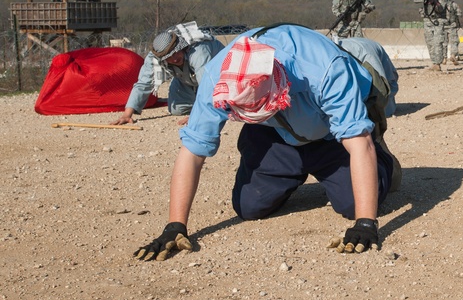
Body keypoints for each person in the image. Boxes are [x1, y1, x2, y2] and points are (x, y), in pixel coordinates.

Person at [133, 24, 401, 262]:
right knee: (249, 207)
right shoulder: (217, 77)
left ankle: (384, 165)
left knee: (355, 205)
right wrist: (175, 225)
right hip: (275, 134)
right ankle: (290, 170)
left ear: (279, 87)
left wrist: (366, 224)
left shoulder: (324, 67)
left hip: (330, 134)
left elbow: (357, 140)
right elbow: (192, 152)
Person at [112, 22, 225, 126]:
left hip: (220, 78)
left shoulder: (198, 51)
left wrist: (198, 115)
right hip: (187, 78)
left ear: (181, 46)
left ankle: (210, 106)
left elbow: (207, 83)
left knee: (223, 107)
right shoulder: (154, 58)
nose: (174, 59)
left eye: (175, 53)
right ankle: (204, 104)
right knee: (177, 109)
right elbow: (143, 84)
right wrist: (127, 115)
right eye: (168, 57)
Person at [413, 0, 453, 71]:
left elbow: (441, 8)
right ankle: (433, 62)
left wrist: (433, 1)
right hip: (428, 20)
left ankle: (437, 64)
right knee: (430, 42)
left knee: (437, 42)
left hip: (438, 20)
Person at [444, 0, 463, 65]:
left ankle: (444, 58)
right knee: (454, 41)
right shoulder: (454, 4)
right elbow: (460, 13)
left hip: (443, 26)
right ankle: (453, 55)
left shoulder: (440, 4)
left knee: (444, 43)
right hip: (452, 25)